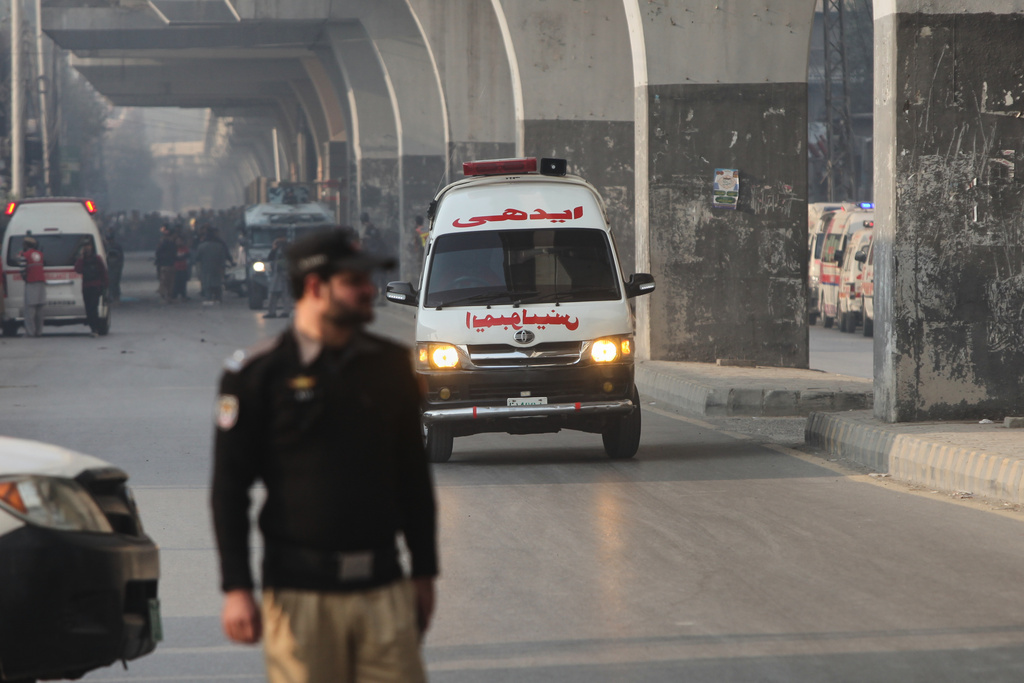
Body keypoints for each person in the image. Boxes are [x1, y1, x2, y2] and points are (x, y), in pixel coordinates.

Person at [211, 228, 437, 683]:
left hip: (384, 589)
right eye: (354, 281)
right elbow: (229, 490)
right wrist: (237, 587)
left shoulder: (391, 366)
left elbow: (413, 477)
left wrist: (424, 571)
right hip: (297, 594)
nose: (368, 290)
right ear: (315, 287)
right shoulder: (257, 376)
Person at [74, 240, 109, 337]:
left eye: (88, 246)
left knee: (94, 308)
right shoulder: (82, 260)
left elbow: (103, 272)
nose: (87, 248)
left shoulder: (97, 259)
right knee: (88, 309)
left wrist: (105, 286)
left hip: (95, 287)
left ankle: (95, 328)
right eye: (85, 246)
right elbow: (77, 270)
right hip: (86, 287)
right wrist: (81, 257)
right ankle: (93, 327)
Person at [195, 228, 234, 304]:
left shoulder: (201, 246)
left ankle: (208, 298)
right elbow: (223, 258)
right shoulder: (220, 246)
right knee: (217, 284)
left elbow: (197, 258)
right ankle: (218, 298)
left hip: (205, 268)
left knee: (207, 283)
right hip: (217, 268)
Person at [19, 236, 46, 337]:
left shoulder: (24, 255)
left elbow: (22, 270)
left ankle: (30, 332)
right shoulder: (40, 254)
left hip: (31, 283)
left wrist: (25, 278)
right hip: (41, 282)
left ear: (26, 245)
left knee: (29, 310)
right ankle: (39, 331)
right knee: (40, 310)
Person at [263, 237, 291, 319]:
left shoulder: (282, 251)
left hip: (281, 275)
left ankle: (275, 312)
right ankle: (282, 312)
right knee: (281, 295)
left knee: (278, 294)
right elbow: (270, 258)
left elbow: (271, 260)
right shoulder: (280, 250)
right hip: (279, 275)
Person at [155, 227, 177, 302]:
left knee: (165, 280)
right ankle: (167, 295)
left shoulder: (164, 243)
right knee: (169, 281)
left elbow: (158, 253)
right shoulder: (170, 244)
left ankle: (164, 294)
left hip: (165, 264)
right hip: (168, 264)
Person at [105, 231, 125, 303]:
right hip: (111, 267)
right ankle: (114, 297)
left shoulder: (114, 246)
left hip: (114, 267)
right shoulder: (115, 246)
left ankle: (115, 297)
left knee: (114, 282)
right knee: (112, 283)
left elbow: (120, 258)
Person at [172, 235, 190, 301]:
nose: (178, 242)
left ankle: (183, 295)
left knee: (183, 283)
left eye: (180, 241)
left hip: (183, 268)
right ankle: (174, 296)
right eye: (177, 241)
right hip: (176, 268)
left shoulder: (185, 248)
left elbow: (187, 256)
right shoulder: (173, 249)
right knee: (175, 283)